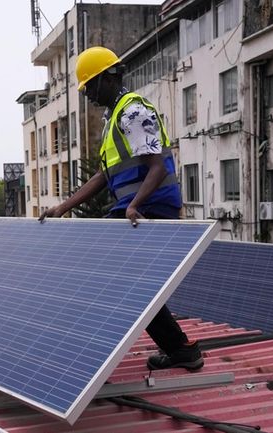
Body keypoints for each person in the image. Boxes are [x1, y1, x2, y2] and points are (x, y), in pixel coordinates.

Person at [38, 46, 203, 371]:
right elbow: (103, 176)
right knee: (132, 287)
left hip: (149, 210)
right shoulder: (114, 117)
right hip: (132, 210)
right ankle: (180, 350)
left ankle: (114, 349)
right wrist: (63, 207)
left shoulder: (132, 112)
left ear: (106, 79)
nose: (87, 95)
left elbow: (156, 166)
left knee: (112, 277)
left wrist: (135, 205)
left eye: (88, 87)